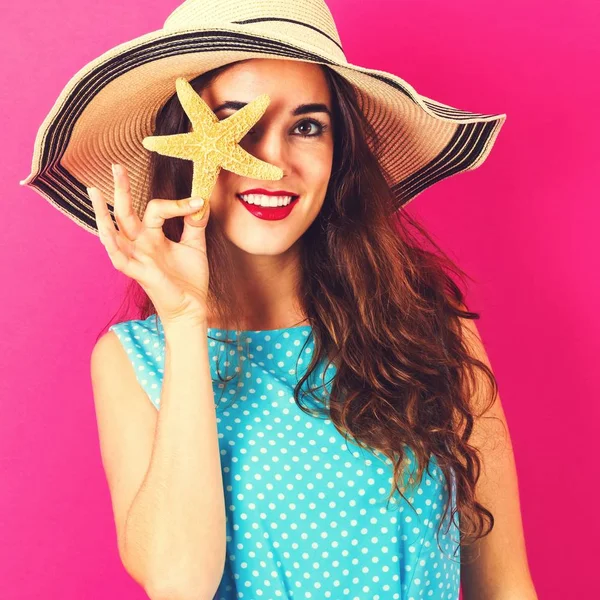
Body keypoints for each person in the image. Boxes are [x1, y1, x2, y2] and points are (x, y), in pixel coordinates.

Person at [20, 1, 537, 599]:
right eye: (235, 124)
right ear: (184, 150)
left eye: (307, 126)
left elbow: (506, 586)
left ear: (338, 154)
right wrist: (187, 320)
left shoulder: (432, 333)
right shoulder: (135, 358)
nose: (270, 164)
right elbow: (178, 584)